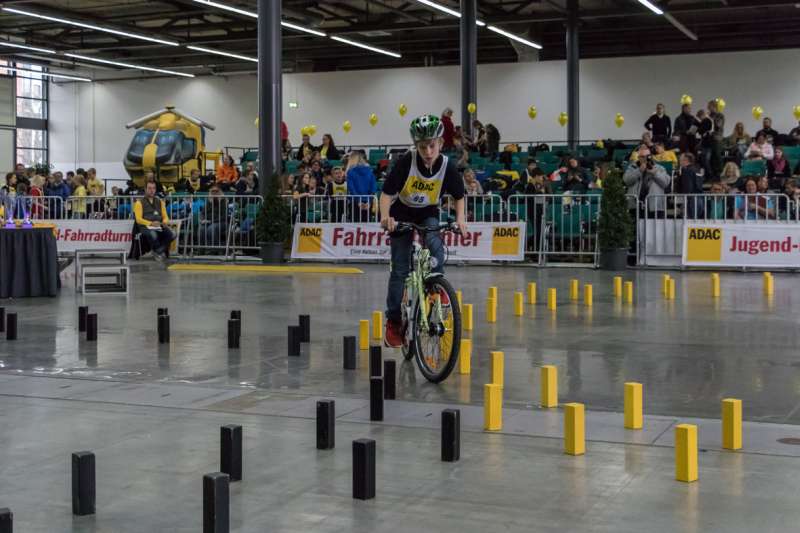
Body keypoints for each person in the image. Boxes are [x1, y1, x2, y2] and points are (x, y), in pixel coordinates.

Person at [380, 114, 466, 348]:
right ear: (415, 146)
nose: (428, 151)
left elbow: (459, 196)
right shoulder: (406, 162)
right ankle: (394, 322)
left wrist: (460, 220)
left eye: (432, 145)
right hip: (402, 212)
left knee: (435, 244)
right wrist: (385, 217)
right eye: (422, 146)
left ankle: (435, 286)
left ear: (440, 143)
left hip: (428, 211)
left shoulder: (447, 166)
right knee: (399, 269)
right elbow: (387, 194)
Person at [134, 179, 175, 261]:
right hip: (146, 227)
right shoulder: (139, 203)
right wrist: (151, 223)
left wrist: (164, 222)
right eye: (149, 188)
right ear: (145, 189)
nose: (151, 190)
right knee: (153, 234)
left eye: (153, 188)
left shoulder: (160, 202)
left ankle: (157, 251)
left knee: (173, 234)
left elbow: (165, 216)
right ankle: (159, 252)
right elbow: (138, 219)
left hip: (159, 225)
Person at [623, 147, 671, 215]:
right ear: (638, 157)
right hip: (636, 205)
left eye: (648, 156)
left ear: (651, 156)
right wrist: (639, 171)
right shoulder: (632, 167)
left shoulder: (659, 168)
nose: (645, 159)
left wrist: (655, 173)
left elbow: (666, 183)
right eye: (642, 156)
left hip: (654, 206)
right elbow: (626, 180)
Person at [345, 152, 376, 223]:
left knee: (355, 226)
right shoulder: (370, 171)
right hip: (368, 201)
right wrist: (369, 201)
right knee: (367, 225)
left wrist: (358, 201)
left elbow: (351, 188)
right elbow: (373, 187)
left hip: (355, 201)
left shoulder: (350, 172)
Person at [199, 185, 229, 251]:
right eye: (213, 191)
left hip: (221, 222)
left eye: (216, 191)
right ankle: (202, 249)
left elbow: (224, 216)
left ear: (220, 192)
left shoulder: (224, 200)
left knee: (211, 229)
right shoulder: (208, 200)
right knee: (201, 228)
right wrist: (202, 219)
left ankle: (216, 249)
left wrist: (211, 221)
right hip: (208, 221)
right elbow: (202, 212)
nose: (214, 193)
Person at [676, 153, 704, 218]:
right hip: (699, 198)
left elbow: (688, 187)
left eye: (680, 160)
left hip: (691, 199)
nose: (679, 162)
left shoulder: (686, 170)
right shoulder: (697, 169)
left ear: (686, 160)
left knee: (691, 220)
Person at [707, 99, 725, 179]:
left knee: (717, 156)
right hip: (709, 139)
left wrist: (712, 119)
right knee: (711, 157)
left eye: (709, 106)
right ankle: (712, 174)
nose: (708, 108)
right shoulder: (709, 115)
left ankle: (720, 173)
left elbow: (719, 125)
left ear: (714, 107)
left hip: (717, 138)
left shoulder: (720, 115)